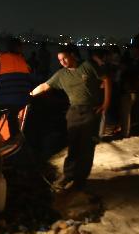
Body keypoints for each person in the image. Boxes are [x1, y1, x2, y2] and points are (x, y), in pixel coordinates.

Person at [29, 46, 110, 191]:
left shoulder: (87, 66)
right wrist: (29, 95)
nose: (62, 62)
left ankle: (80, 180)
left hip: (91, 111)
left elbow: (106, 80)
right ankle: (68, 175)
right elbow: (44, 86)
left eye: (64, 58)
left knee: (87, 147)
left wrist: (106, 103)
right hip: (73, 112)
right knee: (73, 146)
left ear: (72, 55)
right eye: (59, 60)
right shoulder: (61, 75)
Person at [0, 37, 33, 142]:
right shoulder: (22, 60)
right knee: (12, 115)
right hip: (23, 99)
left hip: (6, 99)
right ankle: (15, 135)